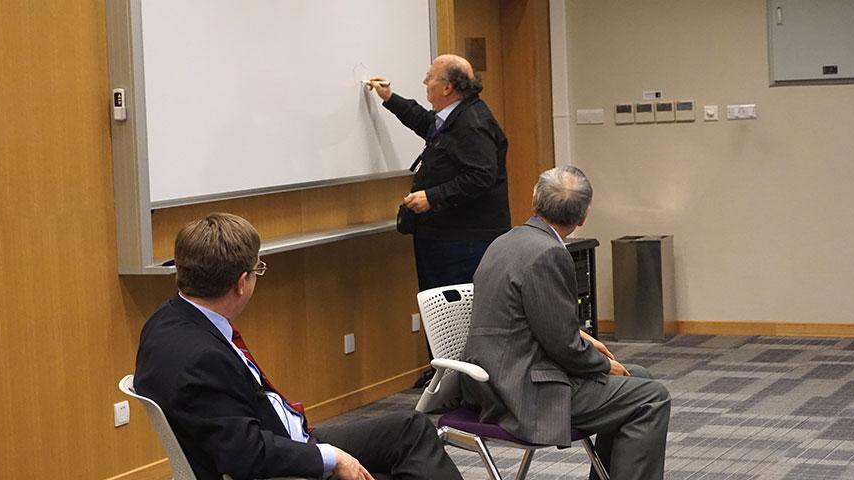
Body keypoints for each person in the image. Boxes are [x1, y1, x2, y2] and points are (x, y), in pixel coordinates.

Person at [134, 213, 462, 480]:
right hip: (278, 462)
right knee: (409, 455)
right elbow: (247, 456)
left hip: (281, 436)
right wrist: (330, 458)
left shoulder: (167, 318)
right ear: (240, 283)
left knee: (409, 429)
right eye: (256, 270)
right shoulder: (202, 359)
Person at [461, 166, 671, 480]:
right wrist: (599, 363)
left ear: (534, 200)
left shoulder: (505, 241)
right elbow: (563, 347)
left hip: (493, 379)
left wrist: (583, 340)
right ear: (583, 216)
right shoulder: (548, 254)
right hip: (522, 392)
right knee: (651, 398)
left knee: (639, 377)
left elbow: (532, 321)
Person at [366, 54, 510, 293]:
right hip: (448, 237)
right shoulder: (456, 115)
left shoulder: (472, 123)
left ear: (447, 87)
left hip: (463, 243)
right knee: (441, 317)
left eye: (429, 77)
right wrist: (390, 98)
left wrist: (432, 197)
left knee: (453, 320)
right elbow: (426, 123)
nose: (425, 82)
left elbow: (481, 176)